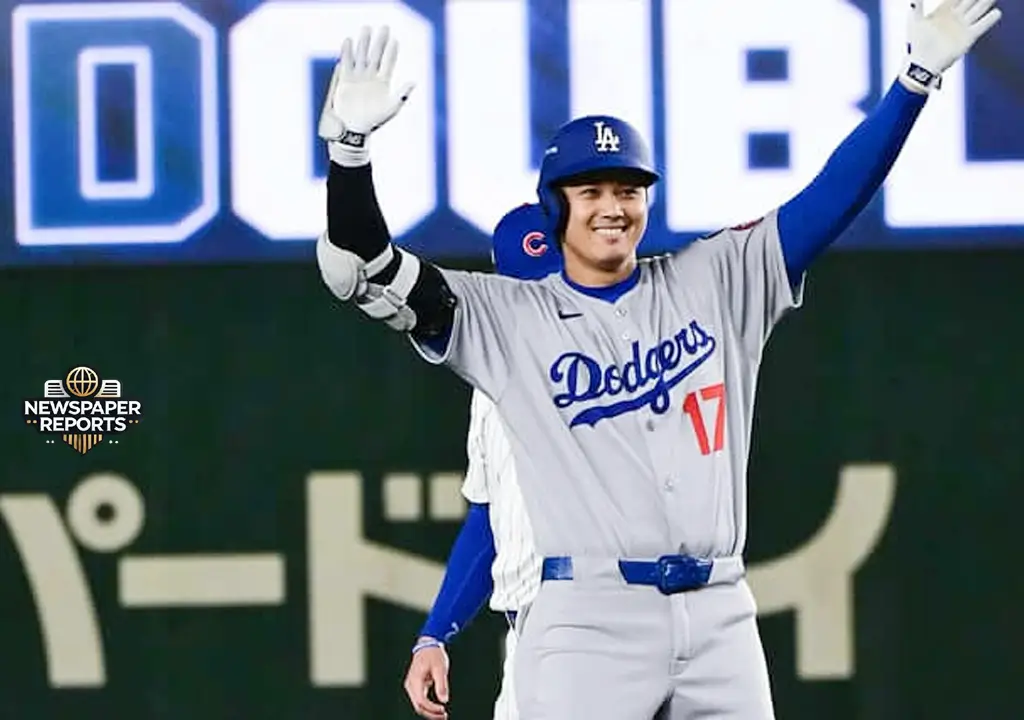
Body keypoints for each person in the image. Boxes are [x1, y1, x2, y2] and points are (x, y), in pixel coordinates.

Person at [313, 3, 1001, 717]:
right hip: (586, 616)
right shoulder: (506, 315)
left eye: (628, 189)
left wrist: (913, 83)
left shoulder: (717, 277)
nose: (613, 207)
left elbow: (830, 199)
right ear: (555, 207)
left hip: (719, 607)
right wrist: (350, 153)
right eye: (590, 191)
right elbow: (367, 257)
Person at [402, 204, 559, 720]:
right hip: (528, 641)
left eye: (556, 282)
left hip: (597, 629)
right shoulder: (491, 382)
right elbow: (490, 518)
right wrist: (435, 633)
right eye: (528, 289)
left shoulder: (621, 375)